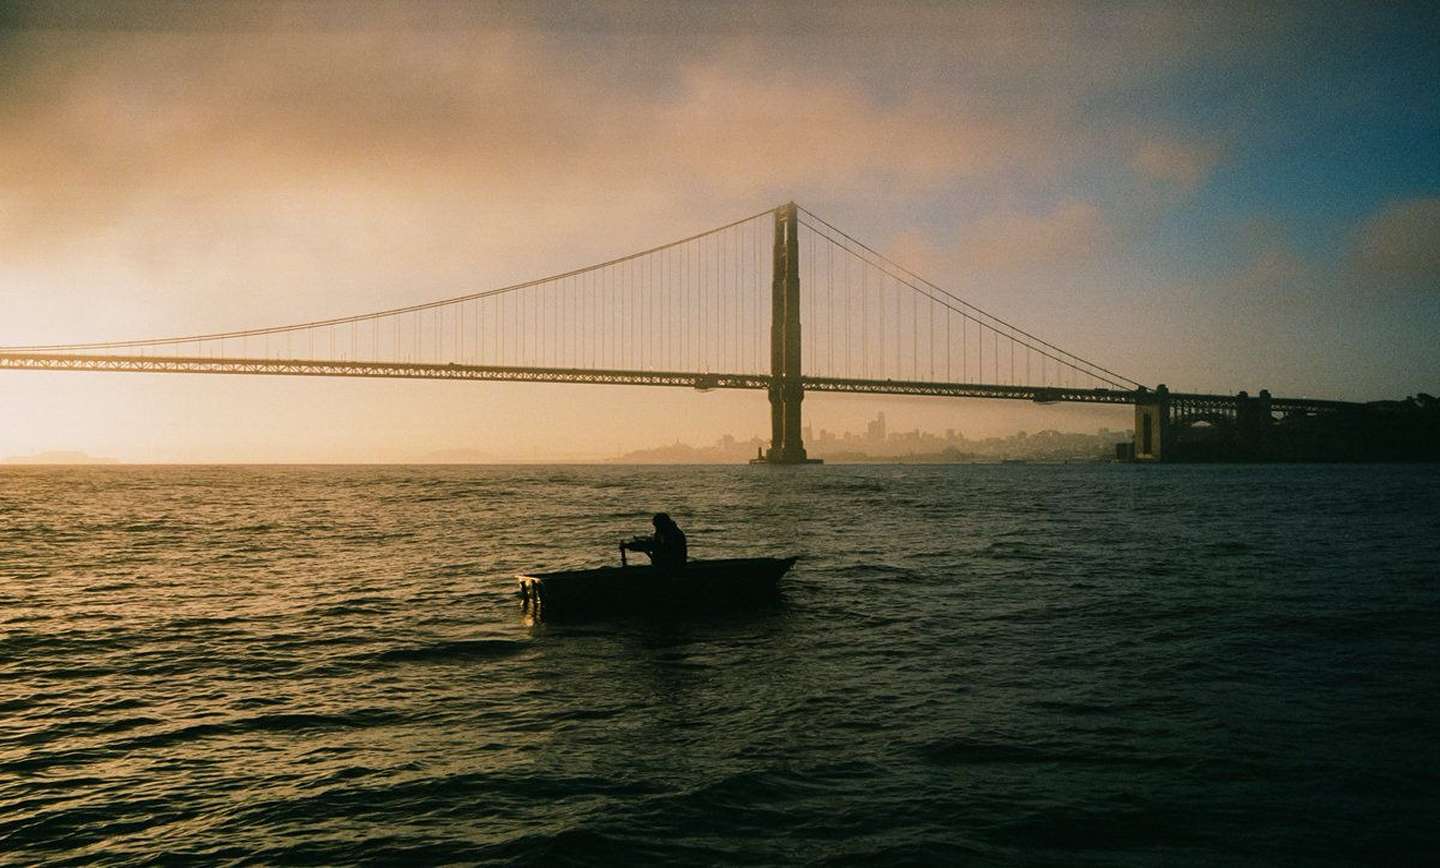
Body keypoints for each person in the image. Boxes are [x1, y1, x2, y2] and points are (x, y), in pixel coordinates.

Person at [622, 512, 688, 573]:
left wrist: (636, 545)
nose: (655, 526)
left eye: (656, 524)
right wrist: (631, 545)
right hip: (663, 565)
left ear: (662, 523)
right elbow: (653, 544)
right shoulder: (663, 532)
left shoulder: (673, 534)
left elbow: (657, 546)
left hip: (673, 566)